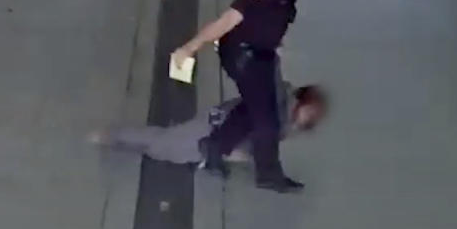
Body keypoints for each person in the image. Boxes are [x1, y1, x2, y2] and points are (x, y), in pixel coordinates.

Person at [171, 0, 322, 193]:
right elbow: (229, 19)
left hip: (262, 54)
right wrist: (191, 47)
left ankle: (214, 149)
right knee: (267, 119)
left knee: (253, 109)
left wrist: (276, 43)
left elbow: (275, 18)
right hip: (243, 56)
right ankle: (268, 175)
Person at [91, 69, 327, 168]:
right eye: (309, 112)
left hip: (217, 135)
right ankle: (112, 136)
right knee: (164, 146)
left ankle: (118, 139)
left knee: (170, 150)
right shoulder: (279, 106)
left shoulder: (288, 122)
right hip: (214, 127)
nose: (307, 118)